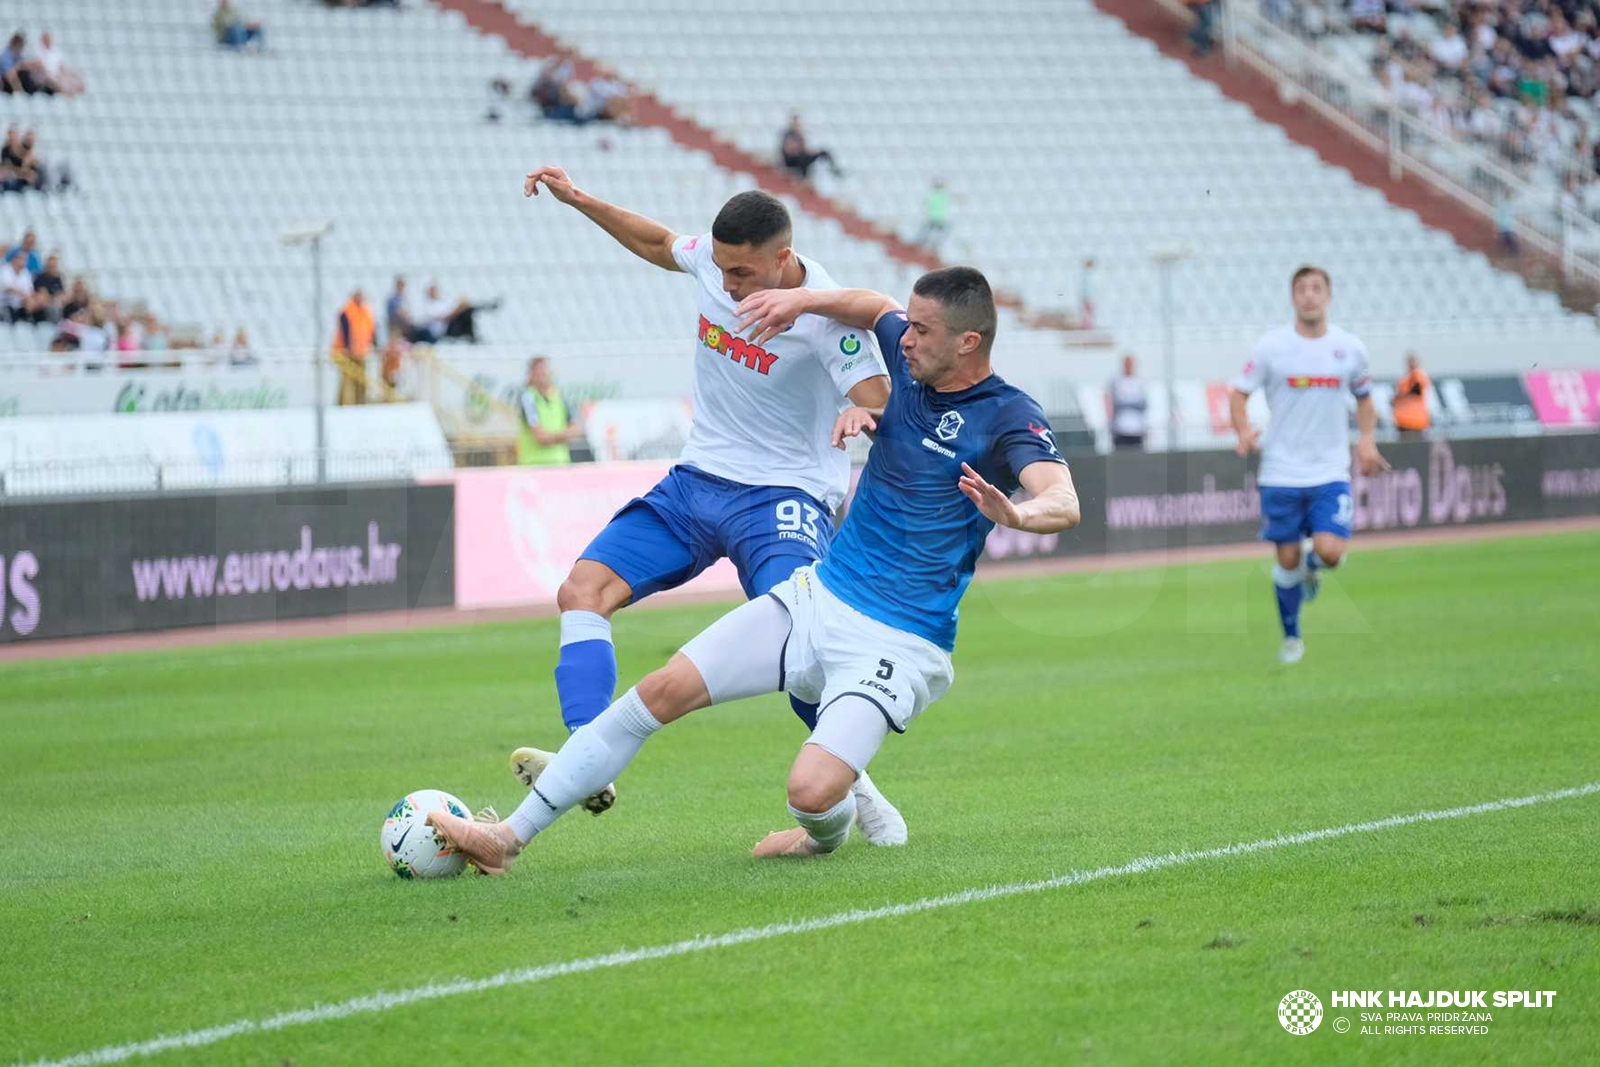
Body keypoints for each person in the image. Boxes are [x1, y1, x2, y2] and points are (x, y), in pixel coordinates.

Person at [427, 266, 1081, 873]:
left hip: (901, 640)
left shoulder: (1009, 414)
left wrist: (1016, 514)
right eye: (907, 325)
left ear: (969, 342)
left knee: (811, 792)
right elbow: (870, 305)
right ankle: (506, 838)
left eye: (922, 330)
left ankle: (824, 831)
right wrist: (802, 300)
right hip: (819, 596)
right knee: (659, 691)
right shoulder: (909, 362)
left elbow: (1063, 497)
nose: (904, 338)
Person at [514, 166, 903, 839]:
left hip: (783, 496)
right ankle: (586, 754)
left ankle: (859, 791)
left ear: (782, 260)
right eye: (722, 269)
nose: (728, 285)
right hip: (698, 484)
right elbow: (659, 243)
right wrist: (580, 199)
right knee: (582, 590)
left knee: (805, 649)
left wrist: (860, 415)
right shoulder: (715, 264)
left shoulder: (827, 313)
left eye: (743, 274)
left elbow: (881, 398)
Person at [1228, 266, 1388, 666]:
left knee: (1330, 551)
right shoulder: (1271, 347)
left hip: (1330, 470)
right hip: (1280, 471)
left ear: (1328, 296)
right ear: (1293, 297)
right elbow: (1238, 393)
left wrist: (1366, 441)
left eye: (1316, 288)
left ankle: (1313, 567)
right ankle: (1292, 638)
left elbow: (1365, 400)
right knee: (1285, 560)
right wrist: (1244, 430)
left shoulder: (1349, 348)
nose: (1309, 295)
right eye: (1301, 289)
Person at [517, 357, 583, 465]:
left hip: (561, 463)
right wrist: (565, 435)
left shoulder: (560, 397)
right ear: (531, 374)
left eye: (544, 371)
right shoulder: (528, 398)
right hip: (534, 465)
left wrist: (551, 437)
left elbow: (577, 431)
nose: (542, 375)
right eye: (538, 372)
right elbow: (541, 438)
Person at [332, 289, 375, 405]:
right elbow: (345, 331)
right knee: (346, 381)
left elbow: (372, 330)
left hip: (361, 351)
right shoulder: (347, 310)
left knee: (361, 381)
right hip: (347, 352)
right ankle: (342, 404)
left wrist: (374, 345)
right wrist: (347, 347)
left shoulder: (367, 311)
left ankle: (360, 403)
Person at [779, 114, 841, 181]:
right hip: (791, 160)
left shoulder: (799, 134)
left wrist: (812, 152)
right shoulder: (788, 134)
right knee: (803, 159)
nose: (797, 123)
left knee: (822, 153)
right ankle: (803, 179)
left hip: (800, 156)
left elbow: (804, 148)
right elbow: (788, 150)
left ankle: (834, 169)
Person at [1107, 354, 1148, 451]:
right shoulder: (1116, 381)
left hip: (1137, 429)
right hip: (1120, 429)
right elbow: (1113, 404)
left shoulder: (1140, 381)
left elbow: (1144, 405)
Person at [1391, 351, 1431, 436]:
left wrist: (1398, 397)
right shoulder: (1406, 378)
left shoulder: (1418, 374)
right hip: (1403, 420)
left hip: (1415, 420)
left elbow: (1416, 390)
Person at [915, 179, 952, 252]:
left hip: (936, 218)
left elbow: (926, 204)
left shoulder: (935, 195)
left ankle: (927, 244)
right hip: (936, 218)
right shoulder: (941, 196)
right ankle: (929, 245)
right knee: (932, 232)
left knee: (930, 232)